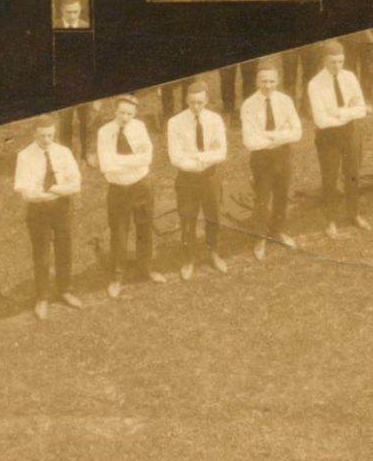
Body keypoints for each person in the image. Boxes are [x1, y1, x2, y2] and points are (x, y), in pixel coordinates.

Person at [13, 118, 84, 316]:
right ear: (34, 134)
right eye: (42, 135)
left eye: (50, 135)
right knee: (41, 255)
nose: (46, 139)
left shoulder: (63, 152)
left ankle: (65, 290)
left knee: (64, 250)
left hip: (62, 209)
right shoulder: (25, 156)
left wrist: (53, 190)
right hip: (38, 212)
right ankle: (42, 297)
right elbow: (27, 193)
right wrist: (57, 192)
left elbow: (76, 185)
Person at [96, 96, 166, 294]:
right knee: (119, 232)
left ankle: (146, 268)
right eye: (121, 113)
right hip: (118, 189)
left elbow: (147, 158)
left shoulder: (140, 128)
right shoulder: (104, 132)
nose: (125, 118)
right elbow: (105, 165)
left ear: (134, 114)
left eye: (129, 114)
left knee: (144, 227)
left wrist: (118, 160)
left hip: (141, 186)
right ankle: (118, 277)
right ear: (114, 111)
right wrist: (133, 160)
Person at [309, 41, 373, 236]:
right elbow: (321, 120)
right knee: (330, 177)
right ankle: (331, 219)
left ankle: (353, 213)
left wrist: (336, 113)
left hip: (351, 133)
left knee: (353, 174)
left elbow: (362, 109)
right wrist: (348, 110)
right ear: (323, 61)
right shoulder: (315, 84)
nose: (337, 66)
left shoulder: (350, 77)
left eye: (340, 61)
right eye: (332, 62)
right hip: (328, 138)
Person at [167, 82, 230, 278]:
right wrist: (199, 163)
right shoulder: (175, 123)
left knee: (213, 216)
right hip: (187, 178)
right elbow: (175, 157)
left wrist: (199, 158)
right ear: (186, 100)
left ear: (207, 100)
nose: (196, 106)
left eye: (200, 102)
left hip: (210, 176)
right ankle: (189, 258)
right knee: (188, 219)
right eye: (192, 102)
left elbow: (221, 152)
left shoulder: (215, 120)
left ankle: (214, 252)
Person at [240, 65, 303, 257]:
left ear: (278, 81)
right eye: (264, 81)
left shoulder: (285, 101)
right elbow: (250, 142)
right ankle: (260, 237)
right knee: (262, 198)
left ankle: (277, 231)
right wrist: (282, 135)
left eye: (272, 81)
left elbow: (298, 132)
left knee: (282, 195)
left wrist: (270, 136)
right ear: (257, 81)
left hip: (283, 156)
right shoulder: (248, 105)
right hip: (261, 160)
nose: (268, 85)